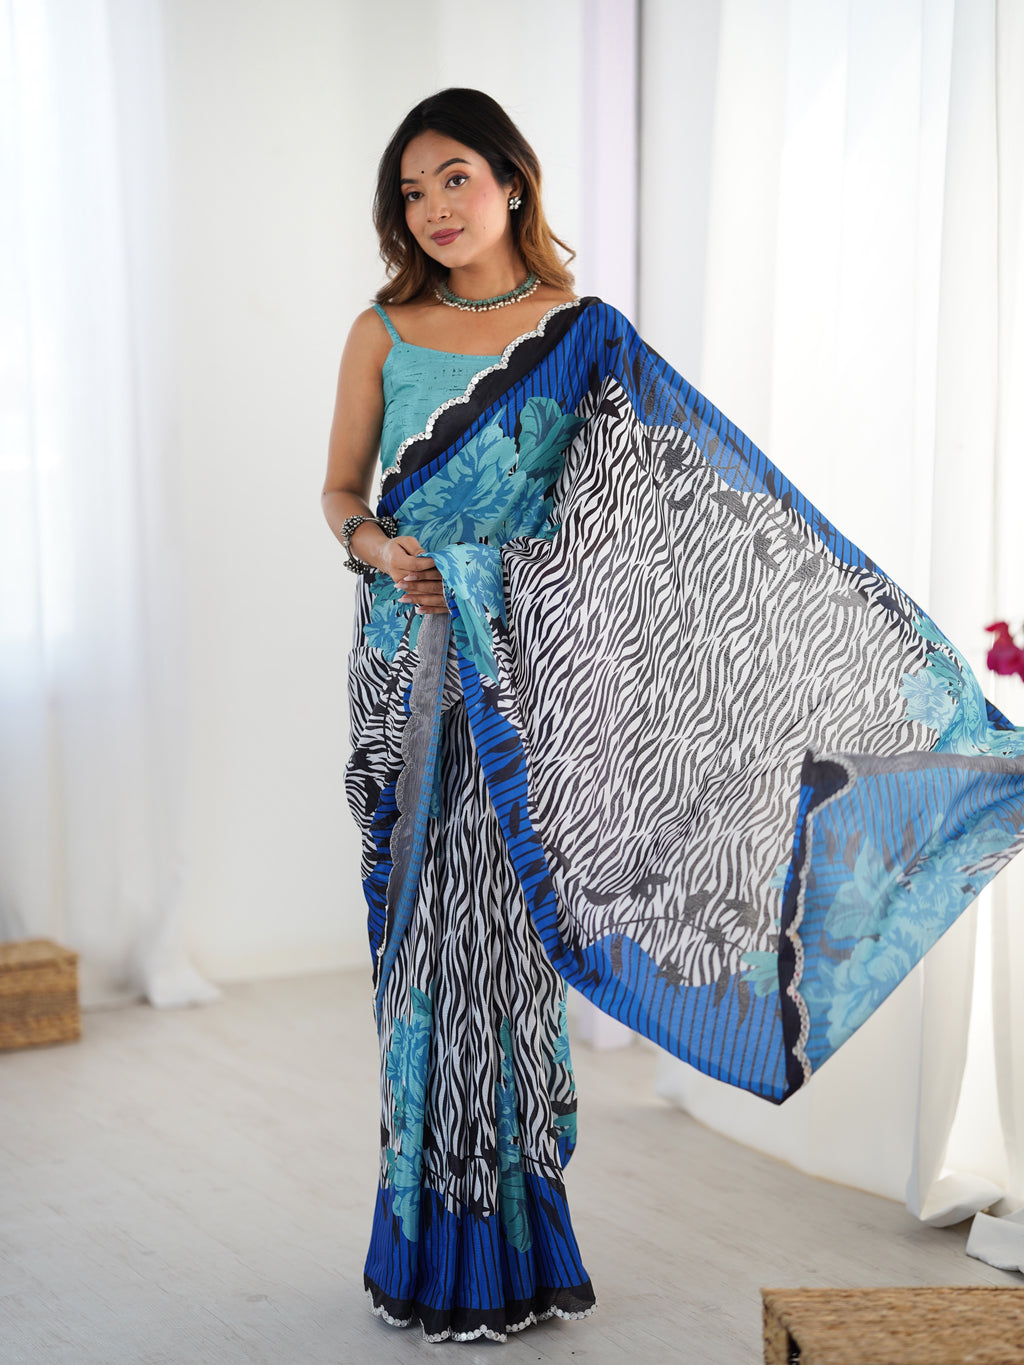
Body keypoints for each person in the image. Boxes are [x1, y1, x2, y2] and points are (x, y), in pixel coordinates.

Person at [323, 89, 1024, 1344]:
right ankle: (423, 1241)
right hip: (409, 673)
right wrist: (380, 546)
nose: (433, 209)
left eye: (455, 180)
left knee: (506, 955)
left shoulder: (580, 335)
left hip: (524, 687)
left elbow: (670, 510)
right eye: (412, 191)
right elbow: (337, 492)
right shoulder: (383, 330)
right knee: (422, 954)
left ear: (513, 184)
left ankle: (510, 1244)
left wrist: (500, 581)